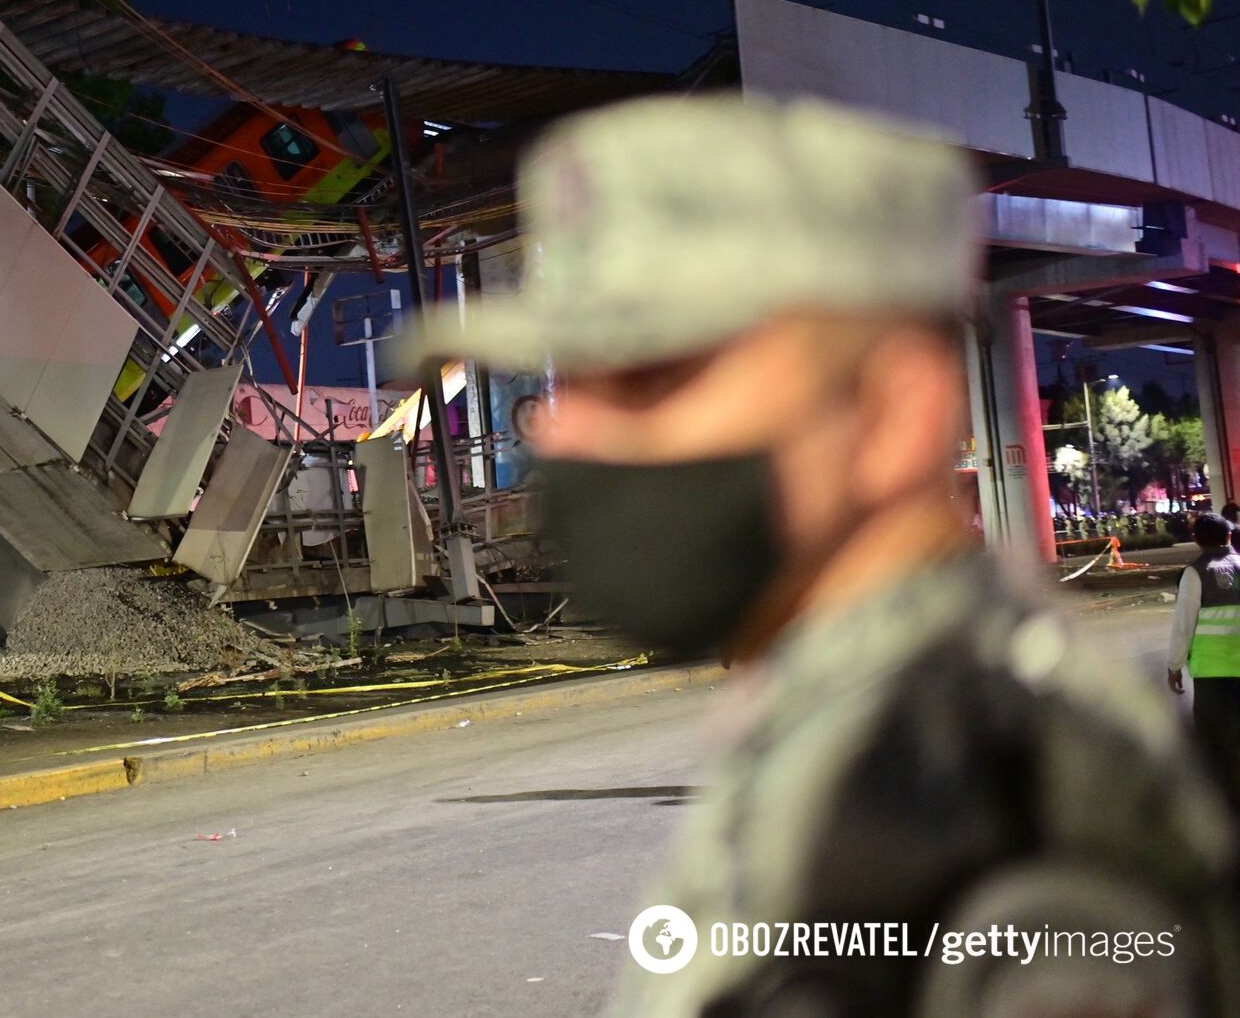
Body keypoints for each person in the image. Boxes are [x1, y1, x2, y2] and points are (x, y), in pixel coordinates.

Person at [402, 95, 1240, 1013]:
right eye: (575, 378)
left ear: (892, 412)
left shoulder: (988, 816)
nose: (572, 436)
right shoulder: (862, 737)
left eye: (654, 374)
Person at [1171, 513, 1240, 811]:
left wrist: (1174, 665)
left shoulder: (1195, 573)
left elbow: (1184, 624)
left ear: (1197, 540)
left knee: (1215, 739)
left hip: (1212, 670)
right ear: (1228, 536)